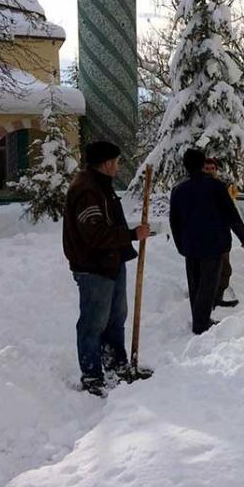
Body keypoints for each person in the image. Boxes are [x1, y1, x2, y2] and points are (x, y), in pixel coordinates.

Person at [63, 141, 151, 397]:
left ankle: (116, 365)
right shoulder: (87, 190)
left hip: (111, 263)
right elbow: (95, 234)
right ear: (107, 163)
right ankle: (91, 376)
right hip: (93, 267)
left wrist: (126, 240)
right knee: (93, 323)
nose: (118, 165)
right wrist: (132, 234)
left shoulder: (102, 187)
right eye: (116, 160)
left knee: (115, 318)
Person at [170, 149, 244, 334]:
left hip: (190, 245)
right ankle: (201, 323)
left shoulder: (179, 189)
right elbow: (230, 213)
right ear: (201, 164)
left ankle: (199, 318)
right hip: (213, 244)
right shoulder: (215, 186)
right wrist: (243, 236)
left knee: (195, 284)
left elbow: (174, 221)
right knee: (208, 285)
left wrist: (180, 245)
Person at [203, 157, 238, 308]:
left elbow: (230, 211)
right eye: (207, 168)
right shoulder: (199, 187)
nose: (210, 171)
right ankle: (206, 301)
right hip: (206, 237)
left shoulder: (222, 187)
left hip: (222, 236)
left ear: (216, 170)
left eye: (212, 168)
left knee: (225, 270)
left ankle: (217, 298)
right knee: (208, 271)